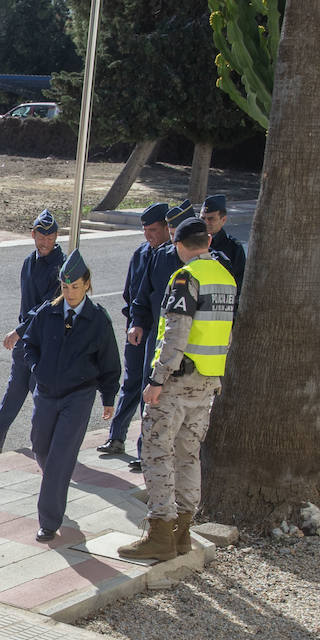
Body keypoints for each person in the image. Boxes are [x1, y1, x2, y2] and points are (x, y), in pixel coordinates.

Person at [118, 218, 236, 561]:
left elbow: (176, 333)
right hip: (207, 381)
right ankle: (182, 533)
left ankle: (160, 533)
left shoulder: (186, 277)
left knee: (156, 452)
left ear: (178, 243)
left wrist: (157, 379)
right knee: (188, 455)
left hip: (177, 380)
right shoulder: (225, 278)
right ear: (209, 240)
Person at [19, 249, 121, 541]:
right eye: (65, 287)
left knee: (60, 458)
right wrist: (37, 369)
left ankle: (49, 521)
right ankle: (55, 486)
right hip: (47, 393)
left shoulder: (97, 319)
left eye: (76, 286)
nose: (71, 292)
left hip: (79, 396)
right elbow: (30, 343)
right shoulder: (48, 312)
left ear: (87, 284)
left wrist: (109, 397)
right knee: (40, 447)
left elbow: (110, 361)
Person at [0, 209, 65, 456]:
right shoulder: (29, 261)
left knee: (40, 394)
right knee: (14, 391)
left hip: (43, 341)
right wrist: (22, 331)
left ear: (56, 236)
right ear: (33, 234)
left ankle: (48, 443)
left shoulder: (60, 266)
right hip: (26, 339)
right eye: (41, 236)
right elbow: (27, 303)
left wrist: (19, 331)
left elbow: (47, 305)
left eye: (50, 237)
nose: (45, 242)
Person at [97, 202, 169, 457]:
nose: (149, 235)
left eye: (153, 230)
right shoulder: (141, 253)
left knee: (147, 392)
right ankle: (116, 437)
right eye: (145, 230)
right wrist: (134, 322)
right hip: (137, 330)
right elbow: (131, 292)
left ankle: (143, 450)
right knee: (130, 384)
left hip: (157, 332)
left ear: (167, 228)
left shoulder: (171, 256)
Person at [124, 200, 190, 473]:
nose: (173, 236)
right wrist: (137, 322)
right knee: (149, 396)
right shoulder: (160, 257)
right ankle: (145, 453)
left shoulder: (213, 260)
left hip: (192, 345)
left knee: (181, 404)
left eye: (176, 230)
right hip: (158, 338)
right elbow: (142, 296)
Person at [200, 194, 246, 291]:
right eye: (203, 218)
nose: (206, 223)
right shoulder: (193, 242)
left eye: (211, 219)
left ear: (223, 220)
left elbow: (239, 281)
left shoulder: (233, 247)